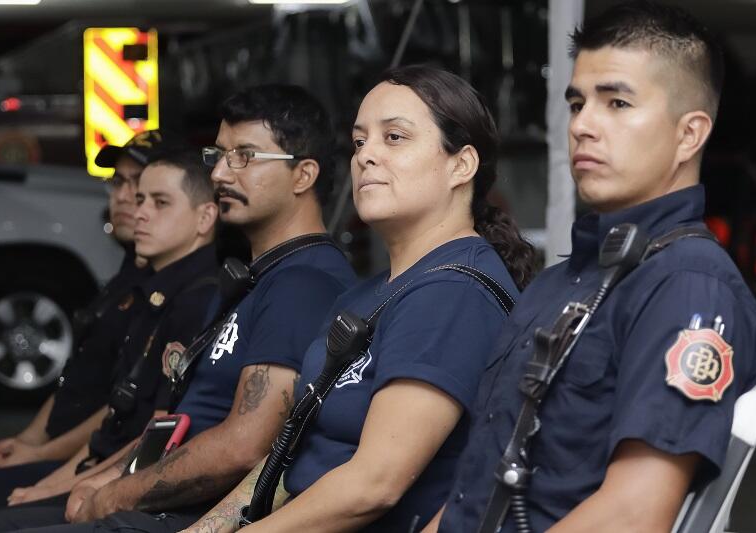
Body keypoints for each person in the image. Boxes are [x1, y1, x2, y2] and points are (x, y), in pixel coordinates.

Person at [431, 2, 756, 532]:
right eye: (577, 103)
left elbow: (633, 516)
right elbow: (476, 485)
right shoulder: (562, 280)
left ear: (690, 134)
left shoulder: (686, 287)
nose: (583, 125)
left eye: (616, 102)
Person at [181, 65, 535, 533]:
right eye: (359, 141)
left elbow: (374, 484)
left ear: (461, 165)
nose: (366, 156)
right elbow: (291, 459)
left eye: (394, 138)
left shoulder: (454, 293)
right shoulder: (366, 293)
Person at [0, 84, 356, 533]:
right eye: (218, 155)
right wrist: (94, 482)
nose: (220, 173)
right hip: (152, 499)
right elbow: (173, 422)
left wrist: (113, 494)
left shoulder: (303, 283)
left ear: (303, 176)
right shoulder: (251, 280)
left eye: (244, 156)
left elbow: (243, 446)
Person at [0, 151, 222, 518]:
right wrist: (47, 475)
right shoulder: (151, 290)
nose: (139, 211)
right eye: (138, 198)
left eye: (159, 202)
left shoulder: (198, 300)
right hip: (97, 468)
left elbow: (156, 433)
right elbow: (112, 412)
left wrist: (59, 485)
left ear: (206, 216)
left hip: (128, 484)